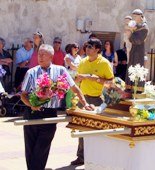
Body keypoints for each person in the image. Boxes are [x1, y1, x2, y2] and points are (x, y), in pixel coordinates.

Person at [21, 44, 94, 170]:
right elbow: (23, 95)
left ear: (51, 56)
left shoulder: (60, 70)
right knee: (31, 147)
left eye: (43, 54)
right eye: (39, 54)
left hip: (49, 114)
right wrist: (32, 105)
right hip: (31, 113)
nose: (40, 57)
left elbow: (75, 88)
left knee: (42, 148)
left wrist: (85, 103)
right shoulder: (31, 72)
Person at [71, 38, 114, 166]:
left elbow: (111, 83)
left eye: (90, 46)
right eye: (87, 46)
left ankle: (97, 157)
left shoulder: (104, 63)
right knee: (81, 128)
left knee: (96, 130)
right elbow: (77, 79)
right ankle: (81, 156)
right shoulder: (83, 62)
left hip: (97, 100)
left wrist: (95, 79)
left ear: (97, 49)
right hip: (83, 99)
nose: (87, 49)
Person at [125, 9, 149, 88]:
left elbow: (138, 40)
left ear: (140, 16)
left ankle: (138, 88)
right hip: (133, 50)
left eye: (135, 16)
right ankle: (129, 87)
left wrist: (130, 35)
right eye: (133, 16)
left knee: (138, 66)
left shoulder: (144, 27)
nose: (134, 18)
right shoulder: (136, 26)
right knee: (131, 66)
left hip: (139, 51)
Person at [64, 43, 81, 108]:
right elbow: (72, 66)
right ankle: (68, 108)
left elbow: (79, 67)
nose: (76, 49)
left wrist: (77, 67)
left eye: (77, 48)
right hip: (70, 77)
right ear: (71, 48)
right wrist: (78, 67)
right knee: (70, 93)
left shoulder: (79, 57)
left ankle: (74, 108)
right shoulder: (67, 56)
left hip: (77, 76)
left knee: (76, 93)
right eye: (75, 47)